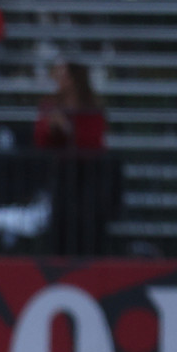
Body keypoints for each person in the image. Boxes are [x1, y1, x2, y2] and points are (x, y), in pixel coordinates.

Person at [35, 61, 118, 255]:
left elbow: (94, 142)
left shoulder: (91, 106)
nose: (58, 79)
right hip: (61, 174)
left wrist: (68, 129)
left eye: (64, 75)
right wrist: (52, 129)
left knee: (88, 223)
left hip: (89, 176)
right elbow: (40, 141)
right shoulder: (51, 106)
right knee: (61, 222)